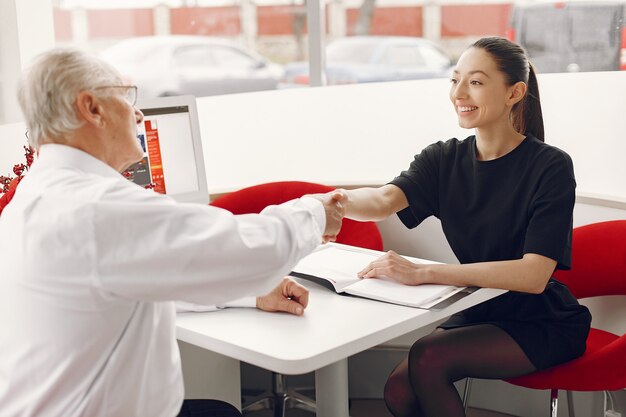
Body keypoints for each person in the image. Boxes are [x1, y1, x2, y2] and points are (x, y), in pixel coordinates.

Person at [0, 49, 344, 417]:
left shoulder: (33, 196)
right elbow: (252, 251)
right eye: (126, 95)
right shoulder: (100, 207)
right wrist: (318, 212)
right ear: (92, 108)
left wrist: (252, 295)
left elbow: (123, 284)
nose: (139, 113)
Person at [331, 37, 592, 417]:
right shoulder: (443, 159)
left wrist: (425, 272)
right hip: (480, 309)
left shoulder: (550, 166)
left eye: (476, 81)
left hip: (541, 319)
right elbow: (385, 200)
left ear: (514, 92)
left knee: (427, 355)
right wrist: (335, 202)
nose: (459, 93)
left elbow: (535, 275)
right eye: (455, 80)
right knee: (399, 390)